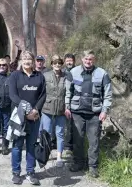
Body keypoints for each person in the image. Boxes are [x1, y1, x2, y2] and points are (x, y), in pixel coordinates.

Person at [65, 50, 112, 178]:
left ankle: (93, 167)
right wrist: (67, 107)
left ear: (94, 59)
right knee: (78, 140)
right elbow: (68, 92)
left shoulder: (102, 74)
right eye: (86, 59)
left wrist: (104, 111)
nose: (88, 61)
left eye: (90, 59)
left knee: (94, 141)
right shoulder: (73, 72)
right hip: (77, 112)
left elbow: (107, 94)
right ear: (82, 59)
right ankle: (79, 163)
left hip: (94, 114)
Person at [8, 50, 46, 185]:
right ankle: (16, 173)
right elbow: (13, 95)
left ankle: (31, 172)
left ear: (33, 60)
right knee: (17, 145)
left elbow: (43, 95)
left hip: (35, 117)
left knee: (31, 145)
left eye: (29, 58)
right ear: (21, 61)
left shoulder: (39, 76)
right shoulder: (15, 76)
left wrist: (35, 110)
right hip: (19, 117)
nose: (26, 61)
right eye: (24, 59)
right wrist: (26, 110)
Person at [40, 54, 68, 167]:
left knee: (60, 133)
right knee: (46, 133)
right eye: (55, 63)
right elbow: (41, 92)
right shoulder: (45, 76)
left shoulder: (66, 77)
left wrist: (67, 107)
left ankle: (59, 157)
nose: (57, 65)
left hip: (61, 109)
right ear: (51, 65)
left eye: (59, 63)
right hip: (47, 108)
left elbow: (68, 93)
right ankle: (45, 155)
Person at [63, 53, 76, 155]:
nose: (69, 62)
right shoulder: (62, 72)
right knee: (62, 124)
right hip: (62, 100)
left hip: (74, 101)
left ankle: (69, 146)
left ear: (74, 61)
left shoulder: (78, 72)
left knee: (71, 124)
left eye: (70, 60)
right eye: (67, 60)